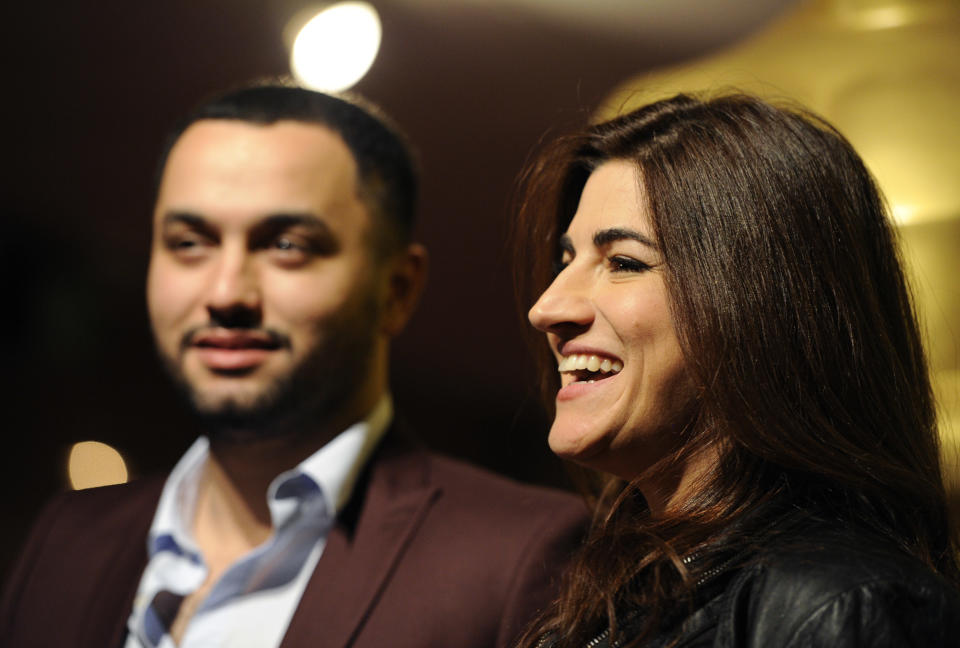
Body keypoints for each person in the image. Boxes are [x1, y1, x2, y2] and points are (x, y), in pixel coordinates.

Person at [0, 83, 588, 648]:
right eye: (189, 242)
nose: (227, 292)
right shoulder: (71, 537)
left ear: (398, 290)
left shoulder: (517, 556)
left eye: (287, 245)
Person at [512, 93, 960, 647]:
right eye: (566, 261)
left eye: (624, 262)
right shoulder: (622, 599)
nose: (547, 308)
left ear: (763, 306)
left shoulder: (843, 605)